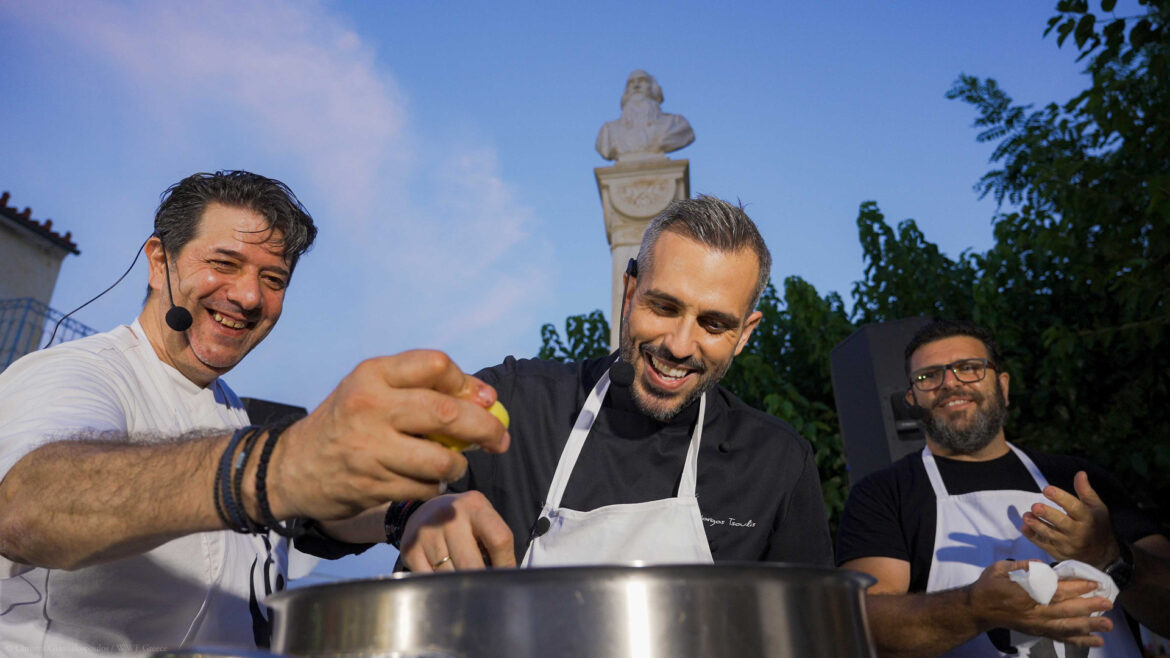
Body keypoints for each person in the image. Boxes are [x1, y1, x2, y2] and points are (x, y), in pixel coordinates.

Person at [0, 171, 509, 655]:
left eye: (273, 277)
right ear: (159, 263)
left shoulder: (229, 410)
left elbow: (302, 514)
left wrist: (407, 512)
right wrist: (277, 467)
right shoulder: (75, 372)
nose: (248, 296)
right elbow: (26, 505)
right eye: (223, 263)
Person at [394, 195, 833, 572]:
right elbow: (356, 495)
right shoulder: (517, 400)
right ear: (629, 292)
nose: (680, 346)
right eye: (663, 307)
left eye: (714, 324)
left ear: (745, 334)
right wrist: (413, 512)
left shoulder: (776, 462)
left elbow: (810, 631)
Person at [835, 319, 1170, 657]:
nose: (950, 383)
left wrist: (1111, 557)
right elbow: (861, 625)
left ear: (1003, 386)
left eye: (969, 368)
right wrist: (971, 608)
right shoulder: (883, 495)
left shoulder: (1082, 482)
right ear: (912, 399)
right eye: (929, 376)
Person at [595, 69, 695, 163]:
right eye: (631, 83)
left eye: (642, 81)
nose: (636, 86)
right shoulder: (609, 131)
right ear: (627, 91)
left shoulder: (676, 124)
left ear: (653, 88)